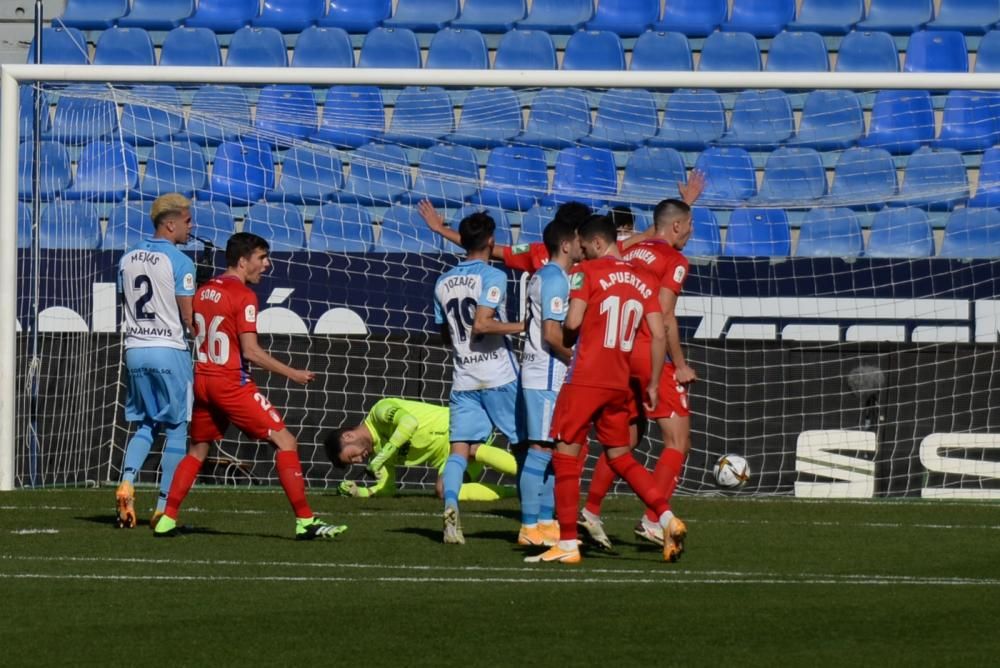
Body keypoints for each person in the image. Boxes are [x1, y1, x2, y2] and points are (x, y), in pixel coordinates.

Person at [153, 232, 346, 540]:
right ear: (243, 261)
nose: (267, 264)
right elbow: (251, 352)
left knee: (198, 450)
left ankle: (167, 518)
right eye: (262, 258)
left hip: (203, 380)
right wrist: (292, 373)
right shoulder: (244, 296)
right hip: (230, 383)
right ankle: (305, 521)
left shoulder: (205, 291)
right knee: (286, 441)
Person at [525, 215, 674, 565]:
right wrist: (653, 382)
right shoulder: (644, 278)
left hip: (584, 378)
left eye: (584, 245)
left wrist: (568, 331)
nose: (582, 252)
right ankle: (667, 517)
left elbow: (573, 322)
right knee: (620, 456)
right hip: (620, 382)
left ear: (595, 243)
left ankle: (567, 542)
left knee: (565, 454)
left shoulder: (586, 272)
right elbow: (659, 333)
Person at [578, 199, 696, 560]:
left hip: (620, 350)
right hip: (649, 352)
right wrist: (679, 365)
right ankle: (653, 520)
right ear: (676, 226)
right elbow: (664, 315)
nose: (691, 231)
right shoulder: (675, 260)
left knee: (625, 439)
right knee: (677, 441)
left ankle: (590, 511)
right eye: (689, 224)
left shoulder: (629, 249)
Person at [418, 171, 704, 276]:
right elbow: (485, 246)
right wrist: (686, 203)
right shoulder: (598, 252)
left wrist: (441, 230)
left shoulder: (542, 252)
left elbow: (487, 248)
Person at [433, 211, 523, 545]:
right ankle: (538, 515)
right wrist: (524, 325)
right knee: (525, 444)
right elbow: (482, 324)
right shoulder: (493, 275)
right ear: (491, 241)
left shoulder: (442, 282)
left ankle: (451, 505)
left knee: (459, 450)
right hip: (499, 375)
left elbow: (445, 333)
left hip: (464, 378)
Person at [115, 193, 195, 529]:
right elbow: (188, 317)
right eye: (188, 221)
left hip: (135, 349)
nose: (191, 227)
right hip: (169, 350)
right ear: (171, 224)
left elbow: (124, 300)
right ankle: (163, 506)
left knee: (146, 424)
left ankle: (127, 482)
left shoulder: (127, 257)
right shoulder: (180, 262)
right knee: (177, 428)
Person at [515, 217, 581, 547]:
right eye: (578, 240)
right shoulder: (555, 279)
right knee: (541, 448)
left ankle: (544, 521)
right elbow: (553, 335)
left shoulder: (545, 275)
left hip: (541, 372)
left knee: (553, 448)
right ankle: (529, 526)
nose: (583, 245)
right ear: (566, 245)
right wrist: (578, 360)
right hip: (546, 374)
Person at [324, 398, 518, 500]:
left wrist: (383, 455)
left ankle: (530, 474)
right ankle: (521, 492)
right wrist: (359, 492)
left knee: (470, 449)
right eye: (354, 462)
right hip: (450, 457)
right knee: (445, 491)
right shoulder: (378, 455)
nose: (359, 460)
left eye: (352, 456)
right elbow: (387, 489)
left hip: (461, 427)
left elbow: (409, 423)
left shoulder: (379, 411)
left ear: (348, 436)